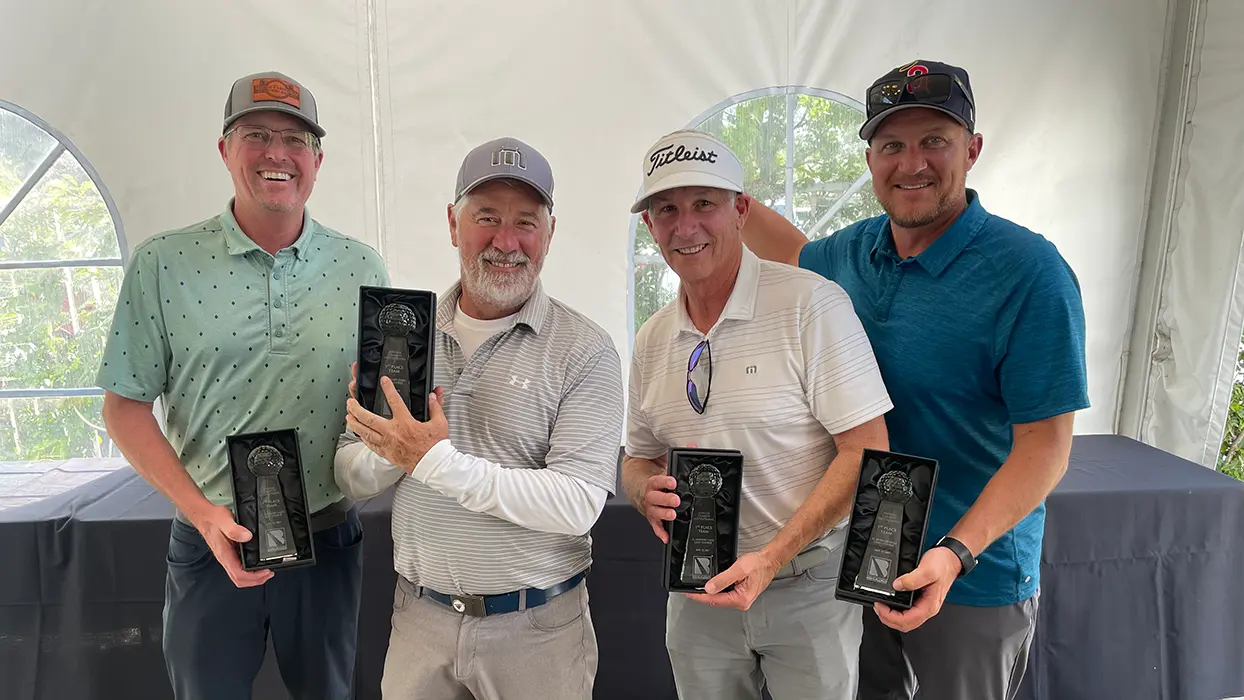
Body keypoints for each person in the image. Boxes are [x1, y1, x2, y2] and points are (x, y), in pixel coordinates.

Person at [740, 59, 1090, 700]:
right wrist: (710, 183)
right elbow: (789, 252)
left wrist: (955, 553)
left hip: (972, 575)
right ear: (871, 158)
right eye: (892, 145)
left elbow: (1046, 446)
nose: (912, 164)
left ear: (973, 149)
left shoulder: (1029, 272)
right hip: (868, 548)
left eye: (935, 140)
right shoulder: (852, 253)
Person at [97, 71, 388, 699]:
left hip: (328, 533)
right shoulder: (162, 263)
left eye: (295, 139)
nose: (277, 153)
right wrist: (202, 515)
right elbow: (123, 407)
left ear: (318, 159)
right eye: (256, 134)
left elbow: (376, 404)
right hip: (210, 534)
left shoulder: (362, 266)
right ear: (225, 149)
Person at [333, 137, 624, 700]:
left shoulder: (585, 350)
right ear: (452, 223)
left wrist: (434, 460)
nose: (506, 242)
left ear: (550, 233)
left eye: (525, 222)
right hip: (420, 621)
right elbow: (348, 475)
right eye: (486, 217)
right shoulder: (400, 333)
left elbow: (578, 505)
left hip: (537, 632)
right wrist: (390, 450)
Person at [621, 129, 893, 700]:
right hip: (699, 589)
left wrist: (771, 559)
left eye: (704, 205)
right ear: (650, 224)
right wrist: (644, 488)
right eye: (667, 209)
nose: (685, 226)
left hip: (808, 584)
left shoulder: (810, 305)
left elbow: (868, 454)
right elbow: (639, 455)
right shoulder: (651, 340)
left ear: (741, 210)